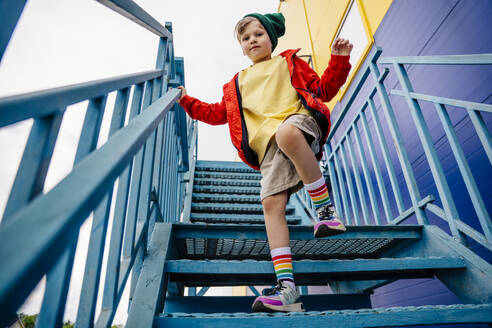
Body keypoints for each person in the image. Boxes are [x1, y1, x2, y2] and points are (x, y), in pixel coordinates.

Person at [176, 12, 353, 313]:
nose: (252, 40)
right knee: (271, 205)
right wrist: (185, 100)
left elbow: (324, 90)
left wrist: (339, 60)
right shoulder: (237, 83)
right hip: (268, 147)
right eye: (245, 38)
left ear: (271, 38)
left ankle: (325, 211)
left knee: (287, 133)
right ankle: (287, 289)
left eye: (258, 34)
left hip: (299, 124)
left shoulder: (290, 63)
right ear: (242, 48)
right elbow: (216, 114)